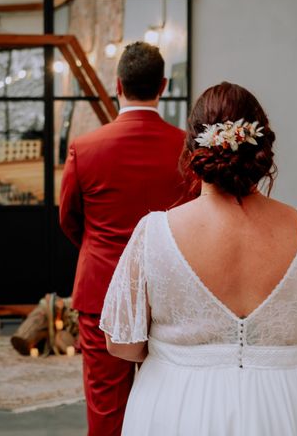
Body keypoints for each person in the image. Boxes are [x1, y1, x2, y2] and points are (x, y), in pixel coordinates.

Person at [100, 82, 297, 435]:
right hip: (288, 404)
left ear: (193, 149)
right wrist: (276, 356)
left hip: (178, 405)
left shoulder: (154, 233)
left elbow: (122, 344)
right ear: (262, 148)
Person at [59, 42, 191, 436]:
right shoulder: (186, 148)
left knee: (106, 408)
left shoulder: (85, 148)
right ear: (163, 86)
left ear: (117, 85)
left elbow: (68, 220)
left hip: (102, 290)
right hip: (171, 292)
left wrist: (99, 246)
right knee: (171, 400)